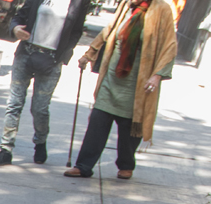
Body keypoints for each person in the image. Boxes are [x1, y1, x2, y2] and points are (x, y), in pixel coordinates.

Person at [64, 0, 177, 179]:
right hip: (112, 77)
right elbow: (109, 30)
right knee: (97, 122)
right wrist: (90, 53)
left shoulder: (161, 9)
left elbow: (169, 46)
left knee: (129, 128)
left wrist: (157, 75)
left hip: (138, 82)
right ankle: (83, 165)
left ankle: (126, 164)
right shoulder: (126, 5)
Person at [0, 0, 94, 166]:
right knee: (14, 103)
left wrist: (62, 57)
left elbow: (76, 31)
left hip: (51, 60)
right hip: (26, 53)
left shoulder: (78, 3)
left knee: (40, 108)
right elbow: (19, 16)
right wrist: (15, 29)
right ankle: (5, 149)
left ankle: (40, 141)